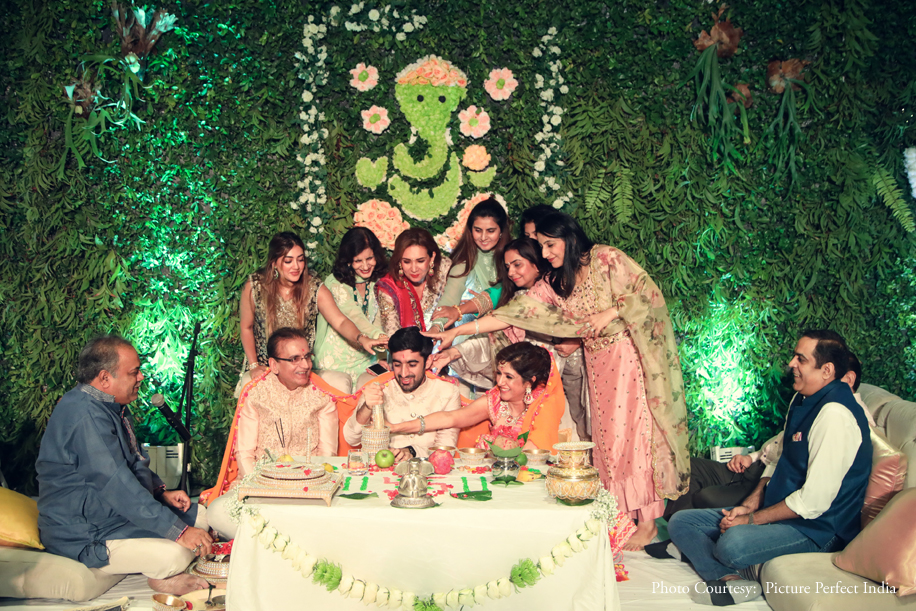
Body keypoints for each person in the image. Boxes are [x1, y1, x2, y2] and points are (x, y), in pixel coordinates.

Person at [425, 212, 690, 550]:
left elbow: (645, 291)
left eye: (550, 245)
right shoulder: (554, 282)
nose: (546, 253)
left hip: (626, 357)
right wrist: (457, 331)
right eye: (542, 247)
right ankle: (620, 515)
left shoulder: (605, 258)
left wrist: (611, 312)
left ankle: (649, 522)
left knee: (633, 436)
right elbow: (511, 313)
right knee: (607, 440)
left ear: (569, 237)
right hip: (597, 362)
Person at [666, 331, 872, 606]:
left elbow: (814, 503)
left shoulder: (835, 415)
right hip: (784, 512)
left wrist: (751, 521)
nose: (791, 363)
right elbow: (778, 459)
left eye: (801, 359)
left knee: (732, 544)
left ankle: (707, 558)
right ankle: (729, 580)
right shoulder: (802, 398)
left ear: (827, 370)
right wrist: (750, 505)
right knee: (681, 522)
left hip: (819, 530)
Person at [36, 336, 212, 595]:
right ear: (105, 378)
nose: (141, 377)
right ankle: (161, 577)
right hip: (85, 531)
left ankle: (161, 559)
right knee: (176, 552)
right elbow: (117, 485)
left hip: (114, 515)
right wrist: (178, 531)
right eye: (134, 372)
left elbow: (133, 460)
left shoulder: (111, 405)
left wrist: (160, 493)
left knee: (203, 517)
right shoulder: (84, 416)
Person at [660, 352, 870, 521]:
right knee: (689, 467)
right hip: (757, 465)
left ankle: (686, 531)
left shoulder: (843, 417)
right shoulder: (808, 403)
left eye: (802, 360)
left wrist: (760, 497)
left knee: (706, 497)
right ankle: (674, 531)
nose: (793, 365)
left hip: (769, 480)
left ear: (847, 379)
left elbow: (811, 483)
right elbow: (781, 442)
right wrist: (751, 457)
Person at [430, 238, 588, 441]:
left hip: (564, 373)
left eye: (517, 265)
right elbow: (493, 340)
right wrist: (454, 351)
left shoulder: (554, 290)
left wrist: (577, 341)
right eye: (507, 267)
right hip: (527, 382)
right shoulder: (512, 298)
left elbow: (583, 322)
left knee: (577, 428)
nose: (511, 272)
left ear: (537, 264)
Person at [207, 327, 340, 539]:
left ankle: (278, 541)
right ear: (274, 365)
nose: (305, 365)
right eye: (295, 359)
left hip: (307, 488)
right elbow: (245, 453)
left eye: (307, 357)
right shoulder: (256, 395)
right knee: (216, 512)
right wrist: (262, 489)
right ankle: (283, 541)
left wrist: (305, 487)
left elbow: (327, 453)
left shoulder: (322, 398)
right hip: (258, 485)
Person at [239, 232, 386, 393]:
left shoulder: (314, 287)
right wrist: (254, 365)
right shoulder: (255, 287)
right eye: (288, 261)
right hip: (267, 366)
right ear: (274, 263)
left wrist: (361, 338)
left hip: (301, 368)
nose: (296, 266)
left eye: (300, 259)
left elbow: (340, 321)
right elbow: (246, 327)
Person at [389, 342, 564, 452]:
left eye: (509, 377)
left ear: (529, 382)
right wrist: (397, 427)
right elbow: (452, 418)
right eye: (498, 373)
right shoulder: (497, 400)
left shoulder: (544, 404)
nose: (500, 382)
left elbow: (534, 451)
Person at [343, 327, 460, 459]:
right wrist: (366, 407)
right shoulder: (380, 388)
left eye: (412, 364)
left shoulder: (448, 392)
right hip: (383, 468)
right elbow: (351, 438)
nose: (404, 374)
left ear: (428, 361)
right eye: (397, 365)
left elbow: (445, 451)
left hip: (428, 469)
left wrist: (413, 451)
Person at [314, 227, 388, 387]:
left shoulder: (380, 281)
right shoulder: (335, 282)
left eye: (370, 258)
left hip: (369, 355)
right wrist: (380, 336)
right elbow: (354, 316)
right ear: (348, 261)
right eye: (358, 261)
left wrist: (382, 352)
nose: (366, 266)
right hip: (336, 357)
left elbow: (380, 319)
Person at [431, 198, 510, 331]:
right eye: (478, 230)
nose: (483, 237)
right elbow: (449, 298)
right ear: (470, 230)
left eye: (490, 231)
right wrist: (436, 327)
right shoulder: (465, 262)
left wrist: (485, 306)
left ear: (501, 231)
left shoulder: (514, 259)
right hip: (472, 336)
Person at [375, 228, 455, 335]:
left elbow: (458, 307)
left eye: (420, 261)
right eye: (406, 262)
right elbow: (393, 334)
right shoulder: (389, 287)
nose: (413, 269)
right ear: (399, 261)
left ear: (432, 258)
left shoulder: (444, 269)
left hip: (449, 340)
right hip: (406, 344)